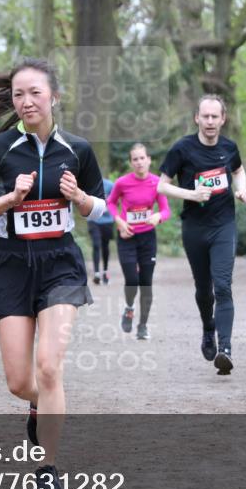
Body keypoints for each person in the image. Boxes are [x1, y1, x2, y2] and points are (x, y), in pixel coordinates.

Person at [0, 58, 107, 489]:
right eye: (19, 94)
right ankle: (35, 407)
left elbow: (103, 209)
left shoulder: (77, 149)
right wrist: (9, 198)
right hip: (10, 265)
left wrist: (80, 197)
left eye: (35, 93)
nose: (26, 102)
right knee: (20, 381)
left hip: (59, 262)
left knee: (49, 367)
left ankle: (47, 466)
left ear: (54, 97)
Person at [157, 94, 246, 376]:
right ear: (197, 118)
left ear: (223, 119)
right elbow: (162, 186)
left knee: (223, 285)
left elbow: (238, 170)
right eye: (205, 116)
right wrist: (191, 194)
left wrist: (242, 189)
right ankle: (208, 329)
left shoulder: (229, 147)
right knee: (203, 288)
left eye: (215, 117)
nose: (210, 122)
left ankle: (225, 349)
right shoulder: (182, 149)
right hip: (195, 228)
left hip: (223, 225)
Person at [107, 143, 170, 341]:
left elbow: (166, 209)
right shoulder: (122, 183)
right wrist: (118, 221)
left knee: (146, 284)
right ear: (131, 162)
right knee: (132, 281)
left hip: (148, 238)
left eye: (142, 158)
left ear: (149, 160)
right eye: (135, 159)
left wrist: (158, 216)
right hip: (127, 236)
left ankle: (142, 326)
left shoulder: (157, 183)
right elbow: (110, 203)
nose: (139, 162)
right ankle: (129, 307)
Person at [87, 177, 115, 285]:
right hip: (93, 220)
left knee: (105, 246)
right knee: (96, 245)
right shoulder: (88, 183)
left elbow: (114, 201)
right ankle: (97, 273)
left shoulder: (110, 185)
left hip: (107, 220)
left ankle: (105, 271)